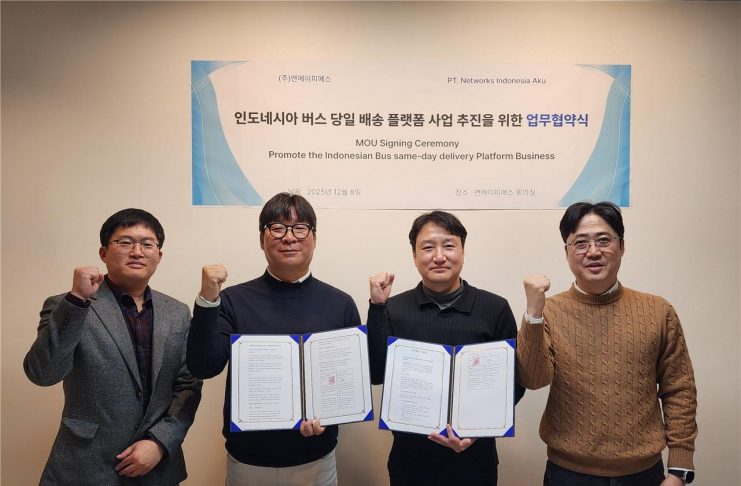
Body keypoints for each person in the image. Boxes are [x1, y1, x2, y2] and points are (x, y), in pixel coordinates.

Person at [517, 201, 698, 486]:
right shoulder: (549, 311)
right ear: (567, 252)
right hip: (567, 473)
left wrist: (679, 469)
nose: (593, 251)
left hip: (643, 472)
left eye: (604, 240)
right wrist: (533, 314)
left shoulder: (658, 311)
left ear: (621, 246)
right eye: (580, 243)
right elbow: (534, 379)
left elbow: (679, 388)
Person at [187, 192, 360, 486]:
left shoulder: (340, 304)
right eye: (278, 228)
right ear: (262, 239)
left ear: (314, 238)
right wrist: (207, 300)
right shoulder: (232, 300)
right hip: (248, 461)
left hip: (316, 460)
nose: (289, 237)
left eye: (300, 228)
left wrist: (328, 417)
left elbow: (347, 384)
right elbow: (203, 366)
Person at [24, 208, 202, 486]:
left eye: (147, 244)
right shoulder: (68, 305)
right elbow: (42, 374)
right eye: (125, 242)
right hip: (84, 467)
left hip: (156, 469)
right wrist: (77, 300)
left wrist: (159, 442)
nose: (137, 252)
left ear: (159, 255)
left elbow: (187, 385)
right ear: (103, 253)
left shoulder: (177, 312)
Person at [367, 210, 524, 486]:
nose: (439, 256)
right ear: (414, 255)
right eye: (428, 247)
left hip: (475, 460)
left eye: (449, 246)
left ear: (463, 251)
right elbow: (377, 374)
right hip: (410, 462)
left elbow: (514, 383)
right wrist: (377, 307)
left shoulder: (495, 308)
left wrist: (477, 430)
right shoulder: (394, 308)